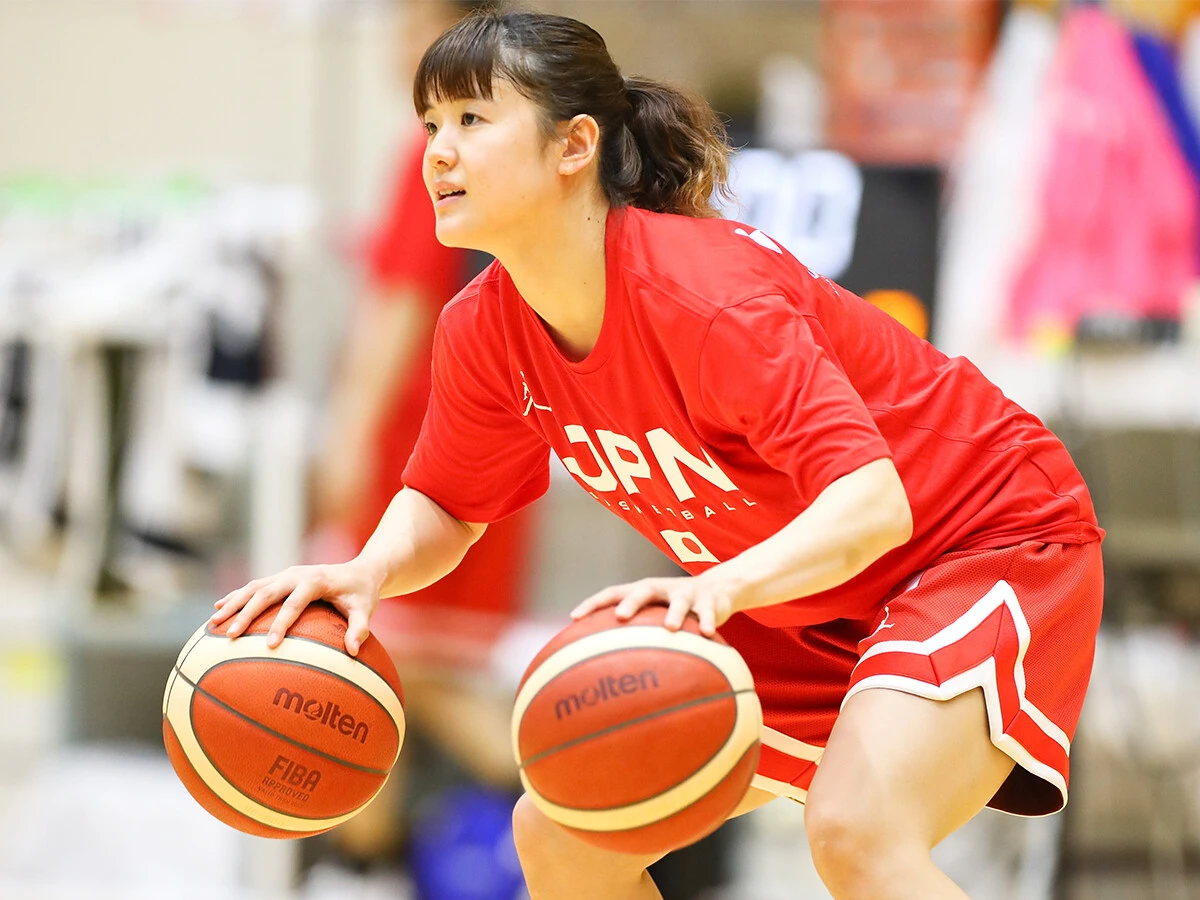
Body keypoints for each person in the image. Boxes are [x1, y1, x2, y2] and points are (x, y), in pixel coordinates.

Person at [212, 10, 1105, 899]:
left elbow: (873, 504)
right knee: (561, 832)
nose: (438, 151)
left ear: (574, 148)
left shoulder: (704, 295)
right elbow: (450, 506)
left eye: (472, 121)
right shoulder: (481, 327)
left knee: (857, 831)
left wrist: (719, 588)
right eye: (430, 126)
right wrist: (366, 572)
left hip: (983, 541)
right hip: (807, 596)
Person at [305, 0, 529, 869]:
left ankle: (594, 800)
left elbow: (396, 310)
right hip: (486, 452)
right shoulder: (502, 155)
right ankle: (374, 860)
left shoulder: (431, 156)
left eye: (413, 23)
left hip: (422, 461)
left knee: (363, 663)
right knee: (393, 669)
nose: (396, 43)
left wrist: (349, 432)